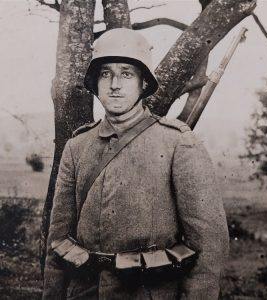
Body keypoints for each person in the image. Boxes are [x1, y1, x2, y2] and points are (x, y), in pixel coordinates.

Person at [43, 28, 229, 300]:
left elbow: (208, 246)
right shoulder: (77, 146)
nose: (114, 84)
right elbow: (57, 242)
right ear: (95, 83)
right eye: (105, 73)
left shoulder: (178, 143)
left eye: (126, 73)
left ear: (144, 83)